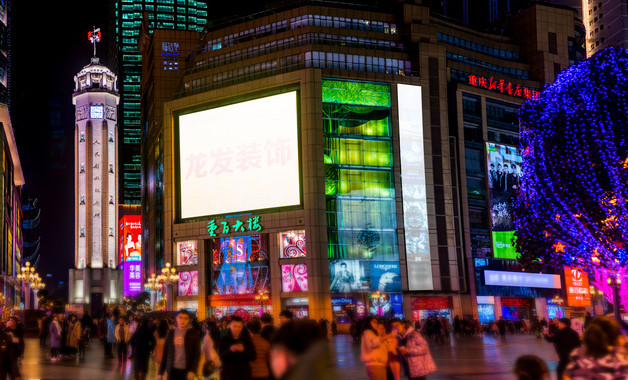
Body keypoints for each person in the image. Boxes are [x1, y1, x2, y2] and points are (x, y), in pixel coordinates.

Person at [157, 309, 201, 380]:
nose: (182, 320)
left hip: (186, 371)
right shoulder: (170, 333)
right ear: (176, 318)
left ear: (188, 320)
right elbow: (165, 353)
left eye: (185, 318)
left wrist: (193, 370)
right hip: (172, 370)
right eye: (180, 317)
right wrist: (160, 372)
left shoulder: (194, 334)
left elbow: (197, 354)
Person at [219, 316, 256, 380]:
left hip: (243, 374)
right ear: (230, 325)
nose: (237, 329)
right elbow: (221, 356)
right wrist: (230, 350)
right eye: (235, 326)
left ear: (242, 327)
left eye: (239, 327)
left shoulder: (246, 340)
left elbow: (253, 356)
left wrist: (243, 350)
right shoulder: (224, 339)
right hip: (228, 374)